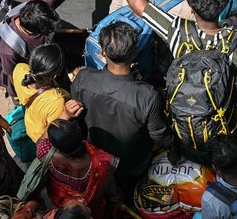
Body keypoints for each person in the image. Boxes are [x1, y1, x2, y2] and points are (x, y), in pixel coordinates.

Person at [0, 0, 132, 99]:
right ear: (34, 31)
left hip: (51, 60)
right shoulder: (9, 50)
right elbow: (15, 81)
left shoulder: (43, 1)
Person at [71, 22, 174, 188]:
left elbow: (76, 116)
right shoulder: (147, 96)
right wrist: (175, 147)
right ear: (134, 54)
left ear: (103, 52)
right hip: (133, 163)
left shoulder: (83, 78)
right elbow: (160, 135)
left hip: (95, 156)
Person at [36, 119, 120, 219]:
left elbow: (40, 141)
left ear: (56, 146)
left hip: (63, 202)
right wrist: (114, 201)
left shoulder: (44, 152)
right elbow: (109, 184)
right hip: (92, 205)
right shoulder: (101, 162)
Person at [12, 43, 71, 142]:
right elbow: (54, 132)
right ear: (55, 76)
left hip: (30, 125)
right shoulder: (55, 101)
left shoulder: (20, 68)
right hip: (41, 137)